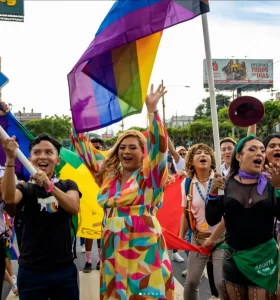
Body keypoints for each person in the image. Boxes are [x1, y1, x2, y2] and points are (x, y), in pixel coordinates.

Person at [71, 84, 174, 299]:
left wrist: (152, 111)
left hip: (144, 248)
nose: (126, 151)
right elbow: (85, 150)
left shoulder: (151, 178)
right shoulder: (108, 176)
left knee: (145, 293)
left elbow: (159, 149)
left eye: (133, 147)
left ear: (143, 151)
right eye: (122, 147)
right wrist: (78, 116)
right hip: (112, 247)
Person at [1, 133, 81, 300]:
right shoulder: (24, 188)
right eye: (37, 153)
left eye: (48, 152)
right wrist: (10, 159)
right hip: (30, 272)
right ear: (29, 159)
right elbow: (9, 199)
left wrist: (49, 186)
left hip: (64, 270)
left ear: (57, 160)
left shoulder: (68, 185)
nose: (42, 156)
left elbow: (74, 207)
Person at [206, 134, 280, 299]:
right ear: (238, 156)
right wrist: (212, 193)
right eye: (252, 149)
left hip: (264, 261)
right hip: (234, 262)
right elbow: (212, 219)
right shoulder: (225, 184)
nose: (259, 153)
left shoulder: (271, 183)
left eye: (262, 150)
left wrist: (279, 188)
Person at [179, 143, 225, 300]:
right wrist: (180, 239)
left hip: (222, 240)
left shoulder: (221, 179)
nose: (203, 155)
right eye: (198, 153)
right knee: (191, 282)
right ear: (191, 161)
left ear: (212, 160)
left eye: (206, 152)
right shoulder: (186, 184)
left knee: (221, 284)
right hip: (198, 239)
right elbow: (185, 214)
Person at [82, 137, 106, 273]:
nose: (96, 149)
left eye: (98, 147)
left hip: (102, 202)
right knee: (88, 232)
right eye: (93, 147)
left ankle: (99, 260)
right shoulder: (86, 163)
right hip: (88, 201)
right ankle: (88, 260)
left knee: (101, 233)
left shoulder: (108, 164)